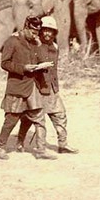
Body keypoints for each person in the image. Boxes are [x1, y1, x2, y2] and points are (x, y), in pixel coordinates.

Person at [0, 16, 57, 160]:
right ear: (26, 27)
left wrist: (40, 51)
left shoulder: (35, 42)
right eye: (33, 32)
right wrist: (23, 68)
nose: (36, 35)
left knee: (38, 117)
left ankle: (40, 150)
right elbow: (4, 63)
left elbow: (40, 59)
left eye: (37, 32)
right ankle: (1, 146)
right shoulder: (12, 41)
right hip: (17, 86)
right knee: (12, 118)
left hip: (32, 85)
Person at [16, 16, 79, 155]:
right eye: (45, 30)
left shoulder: (55, 47)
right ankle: (36, 147)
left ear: (55, 33)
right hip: (36, 88)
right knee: (32, 119)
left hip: (51, 88)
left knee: (60, 115)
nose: (47, 33)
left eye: (51, 31)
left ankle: (63, 145)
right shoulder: (32, 46)